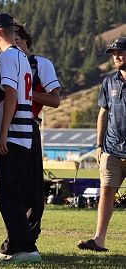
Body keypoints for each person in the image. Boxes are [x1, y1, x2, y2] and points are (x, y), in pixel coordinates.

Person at [0, 23, 60, 253]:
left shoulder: (40, 63)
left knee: (30, 189)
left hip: (29, 125)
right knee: (14, 189)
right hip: (13, 126)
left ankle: (27, 239)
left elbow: (55, 100)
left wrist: (28, 93)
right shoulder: (10, 61)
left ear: (24, 41)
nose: (16, 46)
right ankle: (17, 240)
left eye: (20, 42)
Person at [0, 12, 40, 264]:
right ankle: (15, 246)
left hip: (15, 133)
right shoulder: (21, 56)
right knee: (12, 192)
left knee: (8, 194)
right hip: (24, 131)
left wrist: (2, 132)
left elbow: (11, 96)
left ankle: (25, 247)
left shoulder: (8, 57)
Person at [78, 37, 126, 252]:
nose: (116, 56)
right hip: (111, 150)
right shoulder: (109, 81)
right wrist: (98, 145)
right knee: (106, 192)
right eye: (114, 52)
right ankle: (99, 240)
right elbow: (103, 112)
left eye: (121, 51)